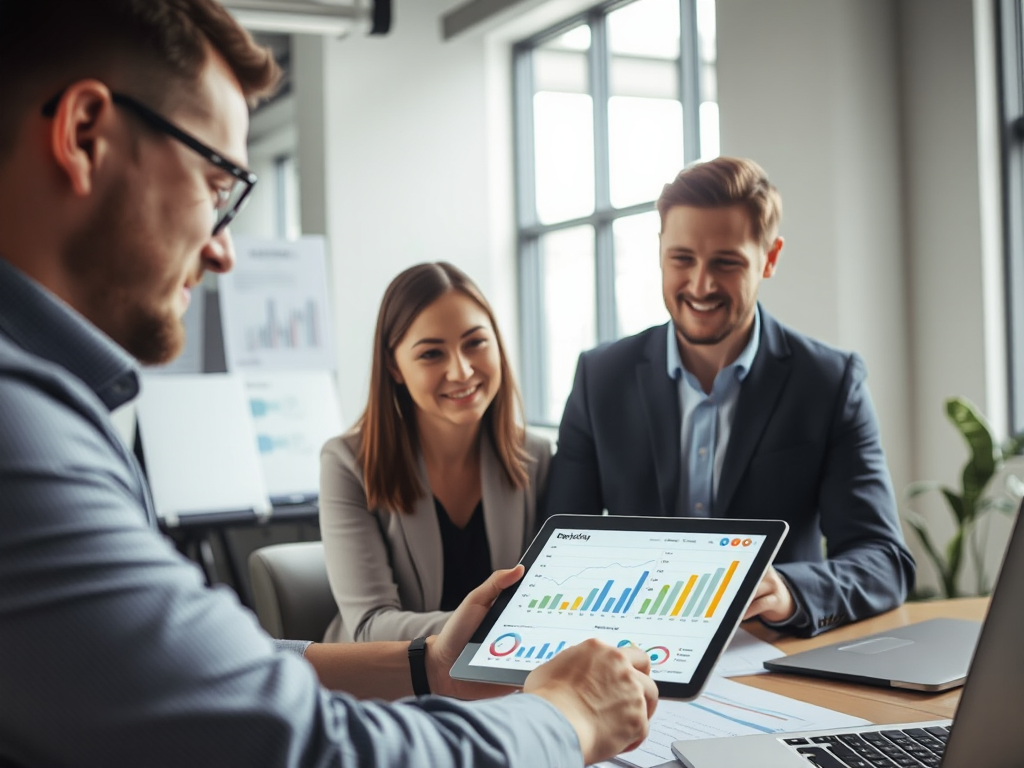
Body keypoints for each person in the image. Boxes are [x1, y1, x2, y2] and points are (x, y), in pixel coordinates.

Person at [0, 2, 658, 766]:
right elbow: (307, 751)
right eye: (218, 186)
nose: (225, 252)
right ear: (86, 135)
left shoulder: (48, 405)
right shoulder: (22, 431)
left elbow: (200, 677)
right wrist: (564, 715)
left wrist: (424, 664)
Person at [542, 156, 916, 637]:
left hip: (769, 653)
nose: (701, 285)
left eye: (727, 262)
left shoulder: (829, 382)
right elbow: (556, 552)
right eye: (682, 259)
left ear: (770, 257)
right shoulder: (600, 378)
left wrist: (789, 592)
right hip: (630, 654)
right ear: (660, 251)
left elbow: (884, 561)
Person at [320, 262, 551, 642]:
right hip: (384, 682)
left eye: (475, 343)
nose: (461, 371)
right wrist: (496, 628)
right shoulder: (347, 463)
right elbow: (369, 626)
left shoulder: (536, 456)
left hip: (494, 681)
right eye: (431, 354)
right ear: (394, 367)